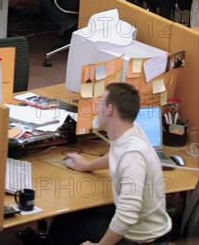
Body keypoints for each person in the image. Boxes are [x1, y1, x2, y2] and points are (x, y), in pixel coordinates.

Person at [47, 83, 172, 245]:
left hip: (141, 239)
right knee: (68, 217)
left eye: (100, 103)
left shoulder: (132, 155)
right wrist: (87, 166)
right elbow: (116, 153)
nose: (97, 109)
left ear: (110, 109)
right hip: (145, 230)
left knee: (66, 225)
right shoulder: (130, 130)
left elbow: (127, 215)